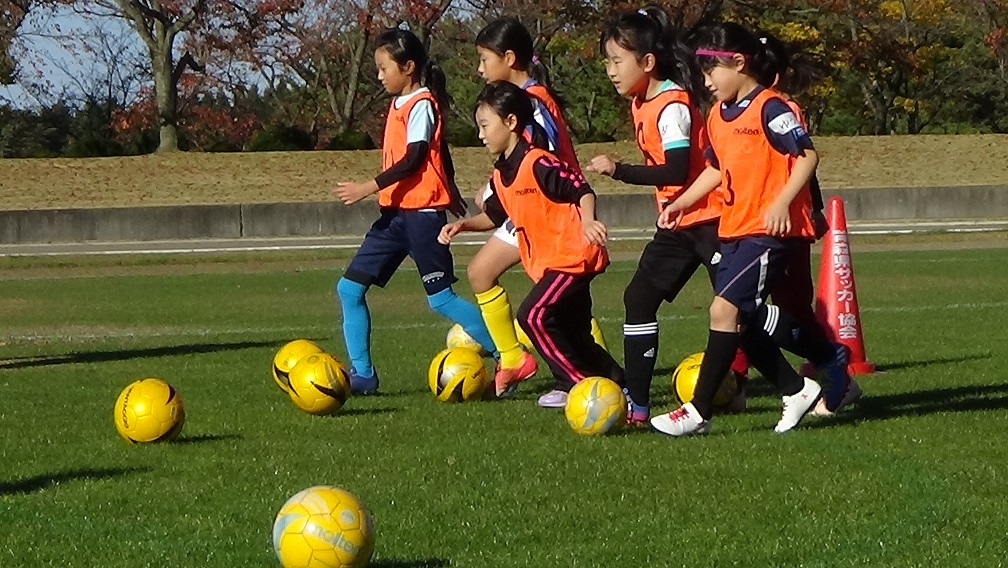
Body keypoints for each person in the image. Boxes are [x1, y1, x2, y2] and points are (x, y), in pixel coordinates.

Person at [649, 22, 851, 436]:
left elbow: (807, 157)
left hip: (766, 233)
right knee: (741, 323)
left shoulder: (770, 107)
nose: (706, 82)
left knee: (723, 311)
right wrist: (682, 202)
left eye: (711, 71)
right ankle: (797, 386)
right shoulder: (717, 115)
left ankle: (698, 412)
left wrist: (781, 203)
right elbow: (715, 169)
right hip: (734, 230)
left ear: (739, 63)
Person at [586, 5, 745, 425]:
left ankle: (811, 373)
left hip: (712, 219)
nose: (610, 71)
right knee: (638, 298)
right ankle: (637, 405)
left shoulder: (672, 104)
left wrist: (619, 170)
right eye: (607, 61)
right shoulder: (643, 102)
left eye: (617, 61)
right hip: (680, 222)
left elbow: (675, 170)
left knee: (741, 309)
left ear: (647, 62)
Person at [439, 80, 623, 408]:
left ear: (511, 122)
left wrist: (588, 221)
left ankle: (575, 384)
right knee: (575, 334)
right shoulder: (501, 174)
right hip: (552, 264)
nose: (480, 135)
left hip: (572, 257)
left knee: (533, 316)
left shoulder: (539, 162)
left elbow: (582, 190)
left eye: (485, 125)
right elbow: (496, 216)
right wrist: (463, 225)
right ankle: (621, 384)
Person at [332, 27, 496, 395]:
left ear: (408, 67)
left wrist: (367, 187)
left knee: (441, 299)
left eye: (383, 68)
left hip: (421, 217)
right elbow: (441, 152)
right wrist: (450, 185)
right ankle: (363, 375)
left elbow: (415, 158)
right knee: (349, 289)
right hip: (393, 217)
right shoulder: (398, 105)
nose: (379, 76)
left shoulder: (422, 103)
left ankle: (508, 357)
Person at [469, 16, 607, 403]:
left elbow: (540, 156)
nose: (480, 69)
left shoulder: (532, 101)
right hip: (530, 206)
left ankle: (575, 376)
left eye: (484, 59)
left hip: (550, 209)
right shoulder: (518, 100)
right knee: (487, 275)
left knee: (547, 307)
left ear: (509, 58)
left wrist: (496, 188)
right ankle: (532, 362)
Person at [752, 30, 862, 416]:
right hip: (749, 224)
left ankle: (833, 370)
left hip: (783, 226)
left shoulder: (780, 109)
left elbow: (805, 163)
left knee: (787, 306)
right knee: (739, 305)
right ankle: (731, 383)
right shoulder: (736, 109)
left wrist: (813, 210)